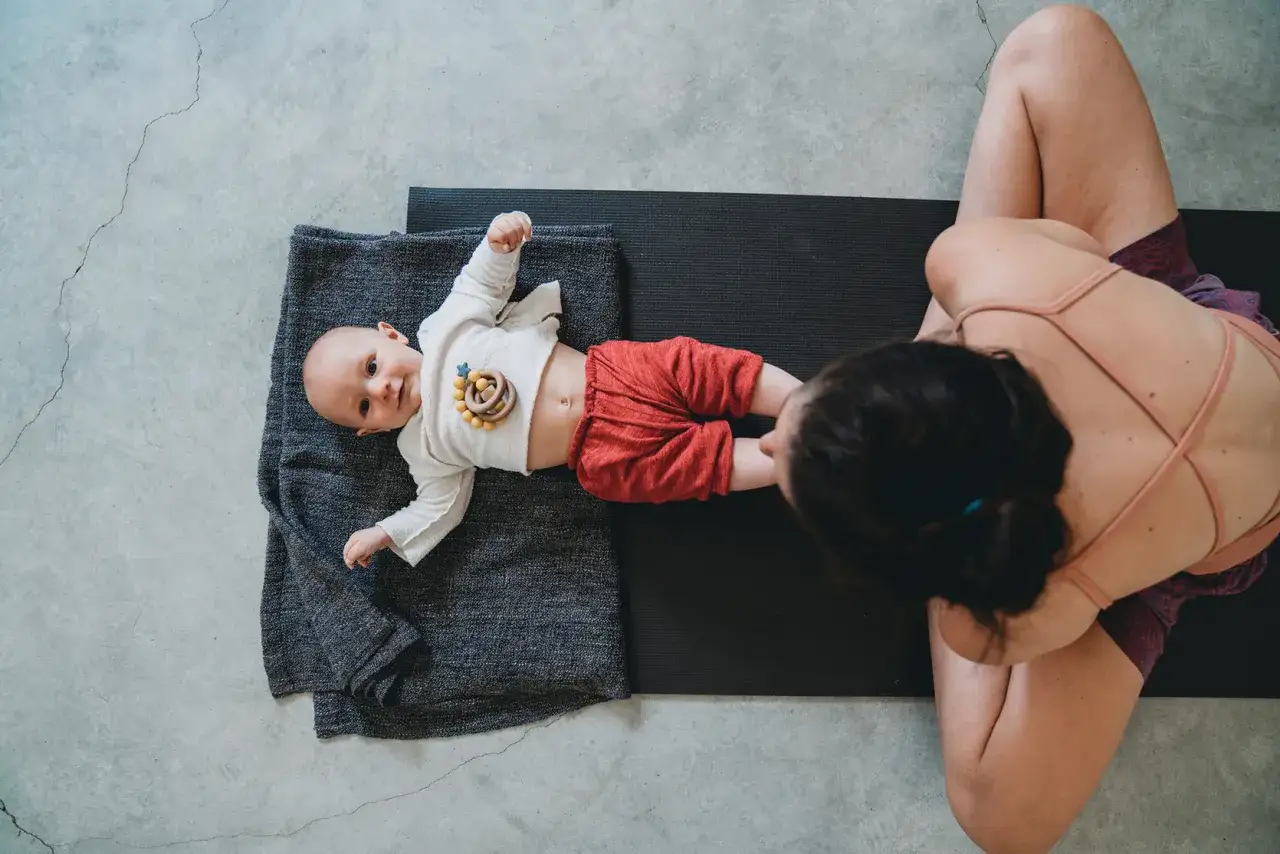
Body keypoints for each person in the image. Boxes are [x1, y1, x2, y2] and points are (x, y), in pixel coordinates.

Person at [759, 6, 1280, 852]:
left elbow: (981, 634)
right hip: (1194, 356)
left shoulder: (1035, 602)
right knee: (1053, 39)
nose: (772, 439)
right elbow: (1068, 241)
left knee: (1002, 820)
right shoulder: (976, 269)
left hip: (1189, 534)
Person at [303, 211, 800, 569]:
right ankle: (789, 461)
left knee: (699, 368)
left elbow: (479, 286)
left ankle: (803, 404)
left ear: (391, 335)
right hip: (601, 452)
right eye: (365, 404)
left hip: (609, 373)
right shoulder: (424, 446)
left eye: (372, 366)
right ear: (369, 431)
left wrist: (500, 244)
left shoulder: (443, 330)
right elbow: (438, 507)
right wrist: (386, 533)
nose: (383, 387)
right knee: (692, 468)